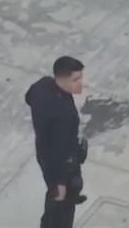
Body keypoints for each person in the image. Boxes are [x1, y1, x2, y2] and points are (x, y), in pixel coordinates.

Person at [25, 56, 87, 228]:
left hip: (44, 155)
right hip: (60, 168)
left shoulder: (42, 86)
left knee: (54, 201)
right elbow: (62, 151)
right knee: (63, 209)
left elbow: (28, 97)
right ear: (62, 79)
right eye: (76, 79)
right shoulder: (65, 115)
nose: (81, 83)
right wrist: (61, 182)